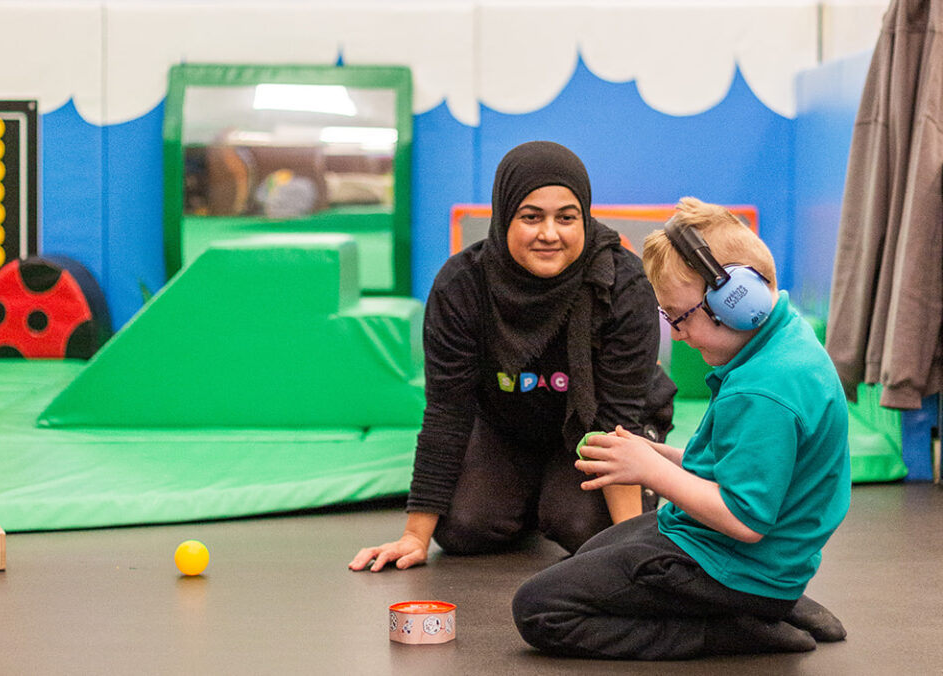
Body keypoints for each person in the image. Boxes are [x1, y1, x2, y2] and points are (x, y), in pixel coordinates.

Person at [511, 197, 851, 659]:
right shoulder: (786, 341)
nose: (674, 333)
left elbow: (745, 519)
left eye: (678, 316)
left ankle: (734, 627)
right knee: (590, 554)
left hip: (736, 563)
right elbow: (733, 464)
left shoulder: (763, 390)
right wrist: (653, 455)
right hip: (750, 557)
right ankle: (772, 601)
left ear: (735, 301)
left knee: (538, 608)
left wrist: (652, 474)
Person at [349, 141, 675, 573]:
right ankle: (532, 495)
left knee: (584, 529)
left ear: (585, 217)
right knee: (464, 528)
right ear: (504, 216)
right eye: (531, 217)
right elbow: (447, 412)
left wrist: (631, 545)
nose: (549, 233)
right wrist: (414, 536)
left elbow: (616, 422)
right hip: (509, 424)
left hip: (596, 429)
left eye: (566, 217)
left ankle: (565, 498)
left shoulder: (621, 284)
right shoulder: (462, 285)